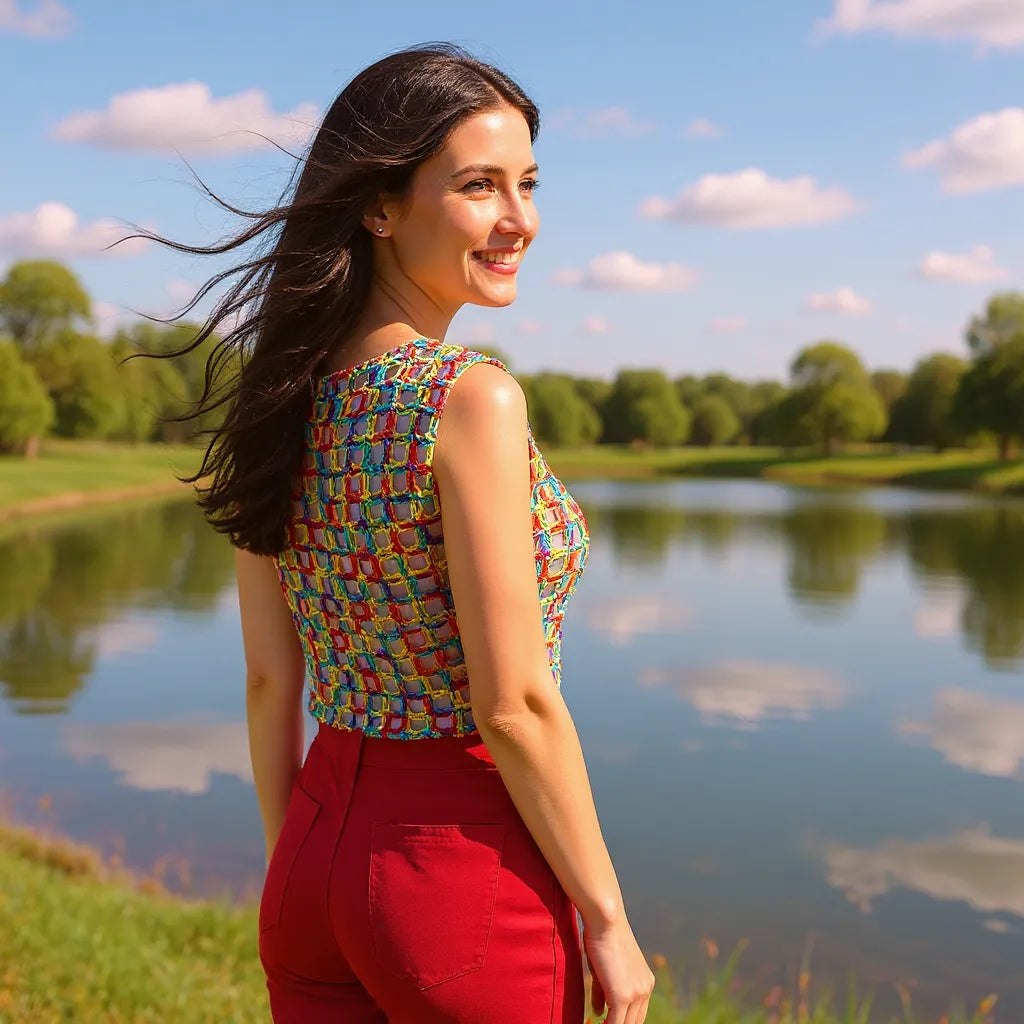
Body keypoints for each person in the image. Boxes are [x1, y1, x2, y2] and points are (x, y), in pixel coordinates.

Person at [139, 42, 654, 1024]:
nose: (520, 221)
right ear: (378, 207)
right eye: (478, 186)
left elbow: (265, 679)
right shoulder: (468, 398)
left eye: (528, 185)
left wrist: (296, 855)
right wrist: (607, 915)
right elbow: (513, 704)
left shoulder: (278, 398)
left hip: (314, 849)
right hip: (457, 871)